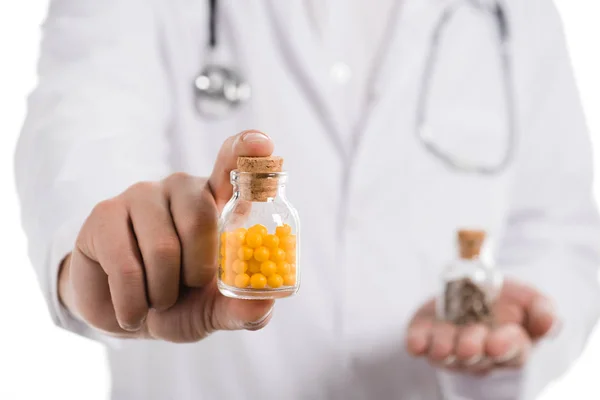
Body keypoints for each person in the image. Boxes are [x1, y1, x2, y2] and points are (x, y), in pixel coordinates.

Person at [14, 0, 600, 399]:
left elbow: (559, 228)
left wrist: (511, 331)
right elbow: (81, 128)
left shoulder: (517, 13)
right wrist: (103, 256)